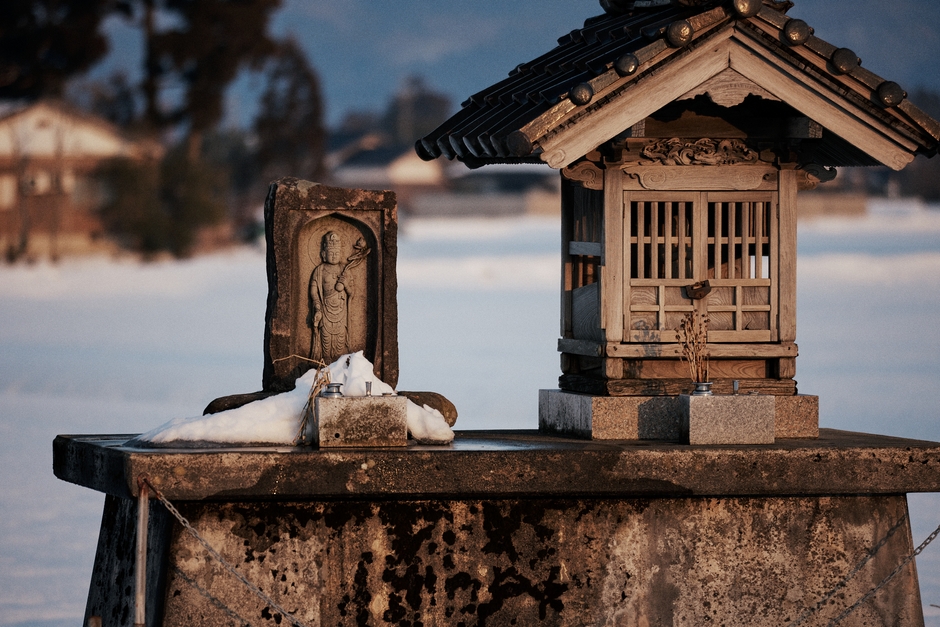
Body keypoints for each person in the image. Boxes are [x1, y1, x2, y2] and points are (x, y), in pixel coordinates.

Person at [308, 231, 351, 363]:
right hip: (325, 310)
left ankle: (339, 367)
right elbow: (314, 290)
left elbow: (352, 292)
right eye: (331, 253)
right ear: (323, 254)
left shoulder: (344, 270)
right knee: (326, 342)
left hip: (341, 312)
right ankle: (325, 368)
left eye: (336, 253)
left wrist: (345, 284)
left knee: (339, 342)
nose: (334, 255)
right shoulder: (320, 270)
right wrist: (317, 307)